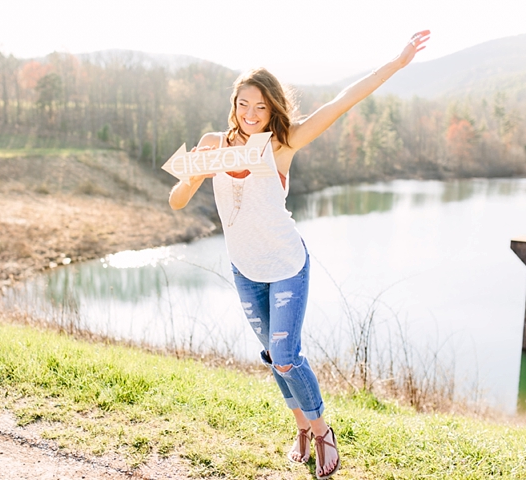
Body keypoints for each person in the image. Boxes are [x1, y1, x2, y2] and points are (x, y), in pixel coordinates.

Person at [169, 31, 430, 479]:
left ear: (272, 110)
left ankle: (323, 430)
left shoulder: (280, 145)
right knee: (273, 357)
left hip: (287, 265)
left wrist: (397, 63)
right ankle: (301, 430)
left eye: (261, 107)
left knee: (286, 354)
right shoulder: (212, 144)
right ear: (234, 104)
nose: (250, 114)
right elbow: (176, 201)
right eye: (243, 104)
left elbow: (342, 102)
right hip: (245, 269)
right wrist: (194, 176)